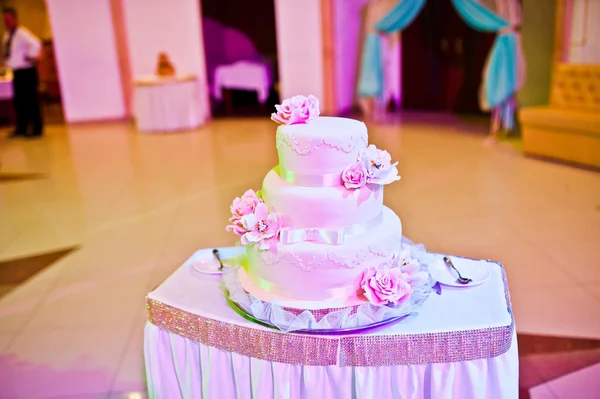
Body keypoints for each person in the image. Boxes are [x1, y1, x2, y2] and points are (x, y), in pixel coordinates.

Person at [2, 7, 43, 138]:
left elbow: (36, 43)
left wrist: (31, 56)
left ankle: (36, 128)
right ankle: (22, 127)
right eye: (5, 20)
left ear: (14, 18)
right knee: (19, 102)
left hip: (27, 71)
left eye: (9, 19)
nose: (7, 22)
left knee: (31, 100)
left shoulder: (22, 33)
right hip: (17, 72)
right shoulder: (7, 36)